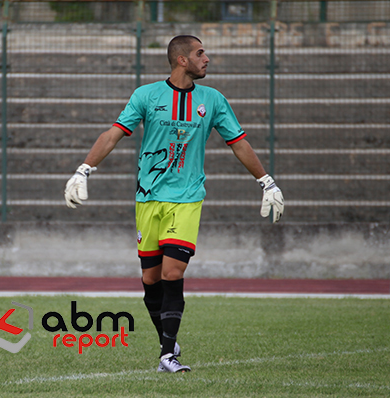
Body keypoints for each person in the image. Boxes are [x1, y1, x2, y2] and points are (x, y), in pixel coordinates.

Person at [64, 35, 284, 373]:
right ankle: (168, 338)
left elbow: (238, 143)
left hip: (187, 198)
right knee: (151, 281)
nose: (207, 58)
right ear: (181, 60)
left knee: (172, 272)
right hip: (148, 198)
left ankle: (168, 355)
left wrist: (266, 181)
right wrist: (83, 170)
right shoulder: (146, 95)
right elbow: (113, 134)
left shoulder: (212, 100)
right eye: (200, 53)